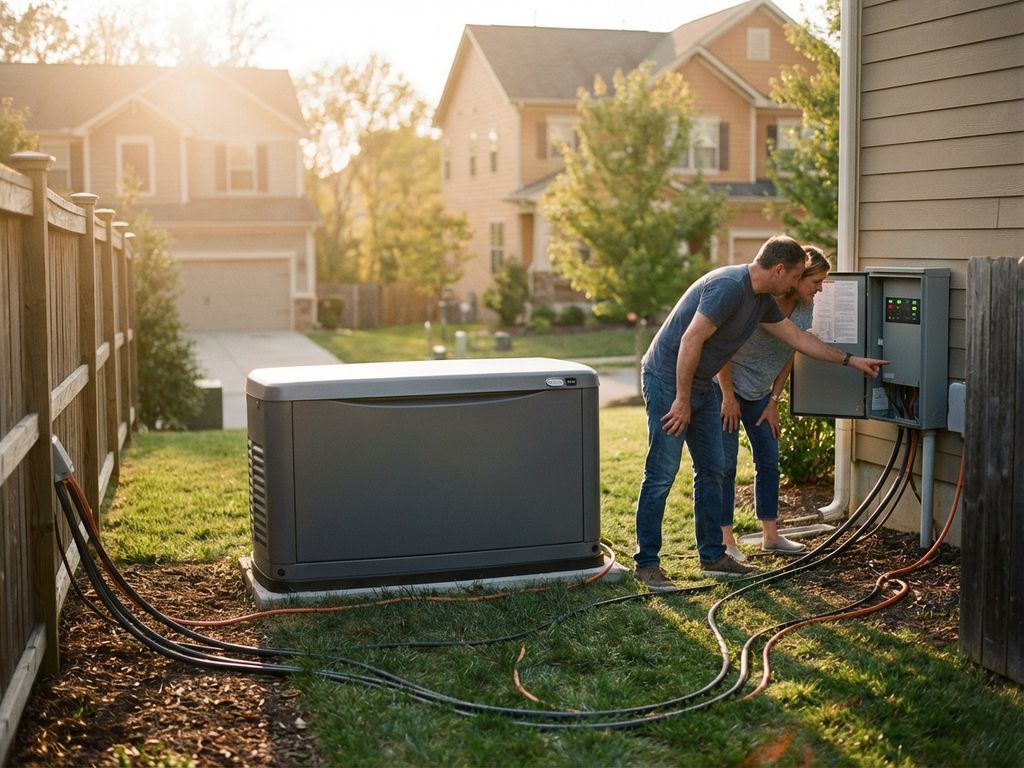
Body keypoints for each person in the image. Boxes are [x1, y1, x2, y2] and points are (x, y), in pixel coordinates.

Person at [632, 235, 887, 591]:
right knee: (662, 471)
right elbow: (691, 340)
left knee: (714, 470)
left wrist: (851, 360)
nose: (798, 284)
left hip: (700, 384)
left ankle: (713, 556)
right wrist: (682, 400)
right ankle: (647, 564)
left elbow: (799, 340)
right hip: (667, 379)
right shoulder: (728, 287)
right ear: (780, 269)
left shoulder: (761, 301)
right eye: (798, 275)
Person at [716, 246, 831, 563]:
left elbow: (790, 351)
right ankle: (727, 541)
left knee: (768, 458)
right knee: (725, 464)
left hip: (759, 394)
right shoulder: (760, 302)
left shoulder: (805, 308)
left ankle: (770, 536)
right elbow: (723, 346)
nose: (819, 289)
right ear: (797, 277)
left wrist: (774, 399)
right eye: (816, 281)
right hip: (726, 388)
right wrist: (727, 395)